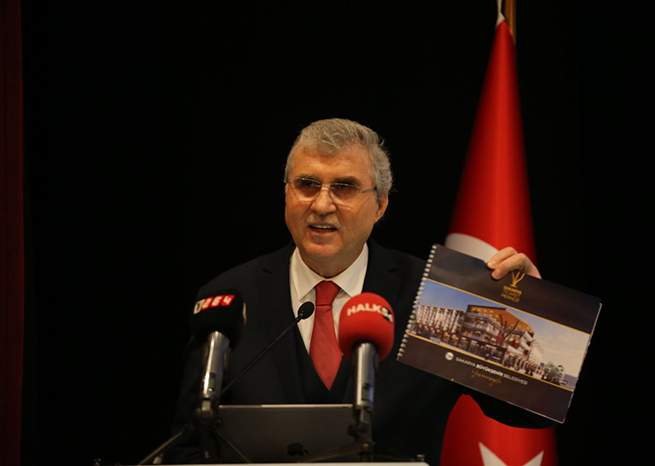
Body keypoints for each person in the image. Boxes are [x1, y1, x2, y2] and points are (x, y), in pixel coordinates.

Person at [169, 118, 546, 465]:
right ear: (286, 194)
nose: (321, 205)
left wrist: (537, 311)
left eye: (344, 188)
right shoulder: (229, 297)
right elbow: (186, 445)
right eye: (307, 185)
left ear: (380, 205)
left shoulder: (434, 293)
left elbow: (530, 411)